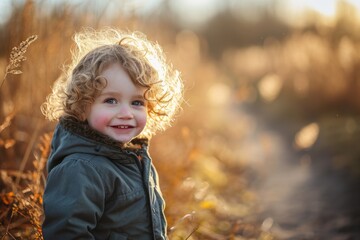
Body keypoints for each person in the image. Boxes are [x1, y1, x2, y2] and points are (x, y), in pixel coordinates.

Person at [41, 27, 183, 240]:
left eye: (137, 102)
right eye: (110, 101)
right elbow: (66, 233)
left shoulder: (133, 158)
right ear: (82, 105)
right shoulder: (80, 169)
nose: (126, 113)